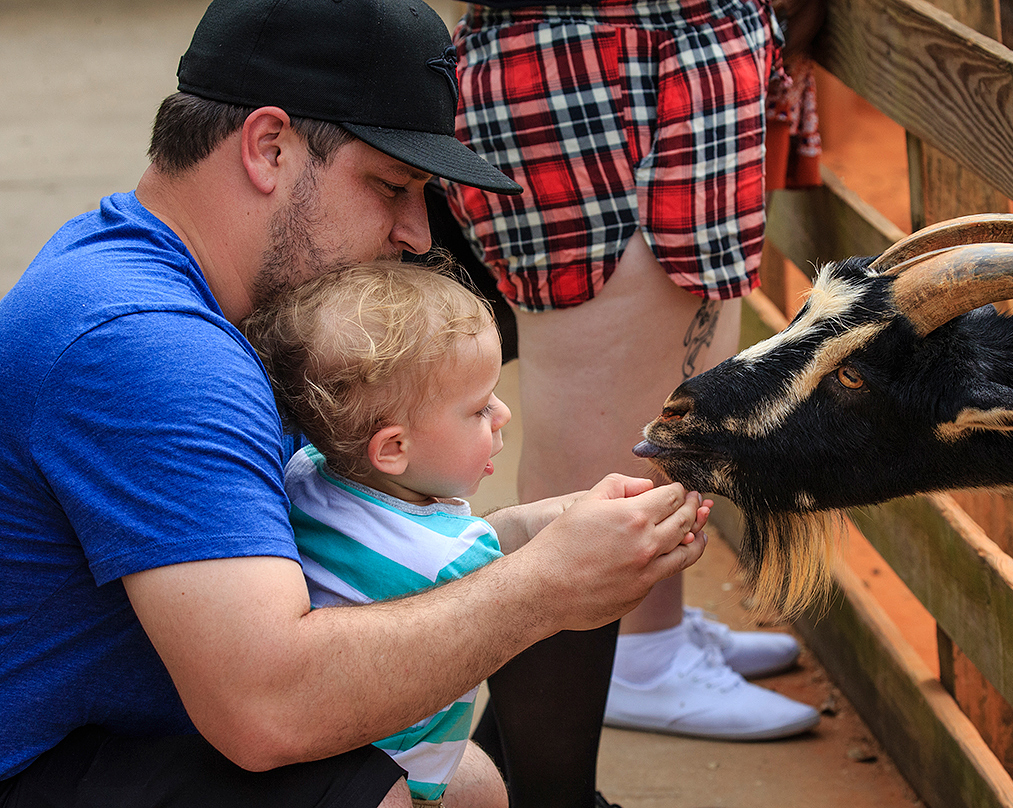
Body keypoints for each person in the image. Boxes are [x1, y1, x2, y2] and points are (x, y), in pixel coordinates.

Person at [0, 1, 710, 806]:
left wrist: (520, 543)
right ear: (269, 147)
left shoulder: (147, 269)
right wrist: (543, 586)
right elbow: (267, 707)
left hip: (127, 721)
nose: (415, 232)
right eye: (391, 186)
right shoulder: (154, 348)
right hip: (38, 760)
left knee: (471, 784)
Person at [443, 1, 821, 800]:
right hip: (603, 51)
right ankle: (630, 671)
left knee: (680, 357)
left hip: (670, 43)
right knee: (603, 404)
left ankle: (654, 633)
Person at [242, 260, 579, 807]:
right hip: (408, 774)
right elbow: (516, 597)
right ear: (394, 449)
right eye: (478, 408)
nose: (503, 413)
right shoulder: (461, 559)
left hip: (319, 756)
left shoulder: (302, 472)